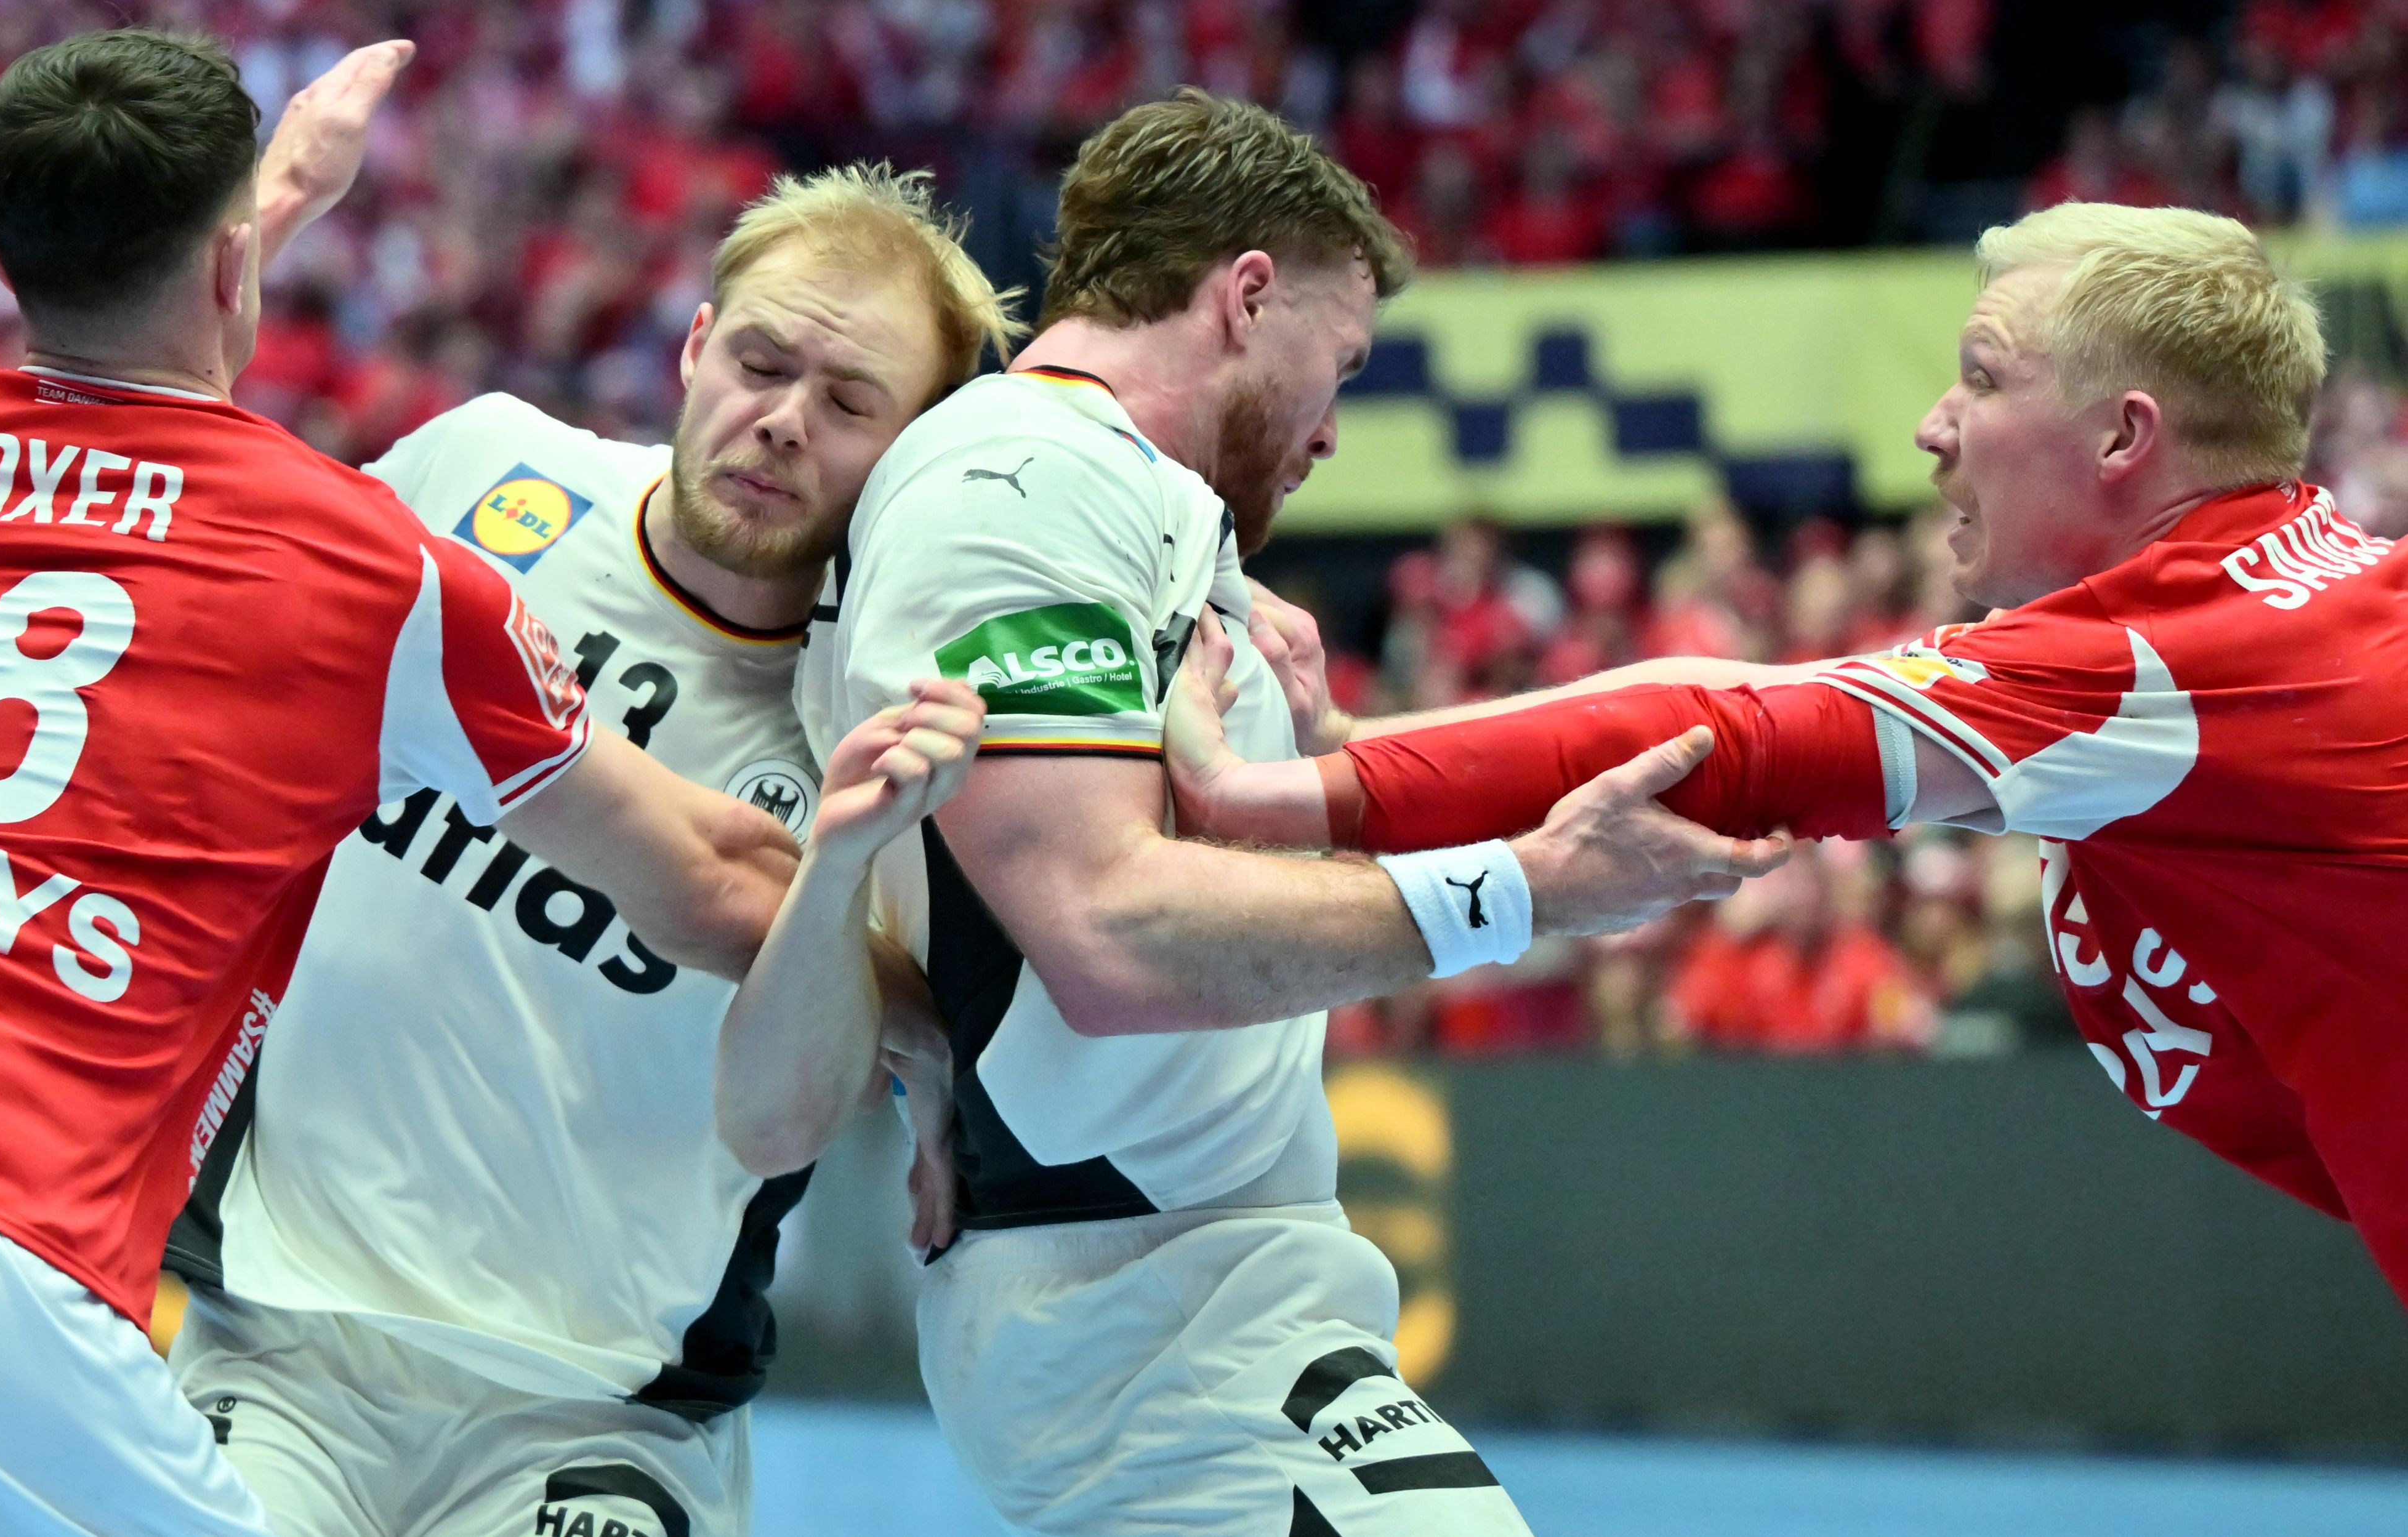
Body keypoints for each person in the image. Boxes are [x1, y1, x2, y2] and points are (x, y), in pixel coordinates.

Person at [0, 28, 938, 1537]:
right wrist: (933, 1025)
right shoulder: (371, 567)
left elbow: (90, 384)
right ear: (234, 272)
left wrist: (270, 198)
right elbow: (715, 886)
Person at [746, 88, 1787, 1536]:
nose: (1333, 430)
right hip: (1151, 1312)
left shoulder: (1129, 507)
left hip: (1192, 1279)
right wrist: (1524, 890)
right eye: (1340, 363)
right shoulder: (1017, 485)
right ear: (1246, 297)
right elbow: (1105, 931)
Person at [1173, 202, 2408, 1309]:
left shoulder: (2163, 669)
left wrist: (1276, 796)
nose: (1932, 427)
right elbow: (1739, 695)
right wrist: (1349, 749)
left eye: (1980, 379)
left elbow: (1738, 741)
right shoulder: (2249, 625)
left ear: (2121, 439)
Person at [159, 164, 1018, 1537]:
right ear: (692, 348)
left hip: (601, 1411)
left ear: (910, 447)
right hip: (278, 1340)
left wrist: (862, 911)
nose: (782, 422)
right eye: (759, 360)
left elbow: (800, 1112)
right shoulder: (482, 466)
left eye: (850, 403)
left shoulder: (876, 722)